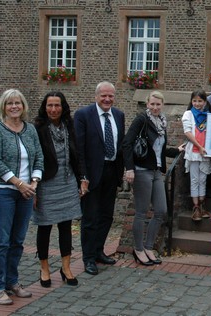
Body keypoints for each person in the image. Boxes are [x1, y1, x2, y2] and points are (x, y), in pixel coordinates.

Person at [0, 89, 44, 305]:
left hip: (27, 191)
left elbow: (38, 157)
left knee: (18, 240)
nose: (14, 106)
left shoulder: (30, 130)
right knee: (1, 240)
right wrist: (19, 184)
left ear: (23, 106)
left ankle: (12, 281)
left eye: (17, 103)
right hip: (2, 191)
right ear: (3, 106)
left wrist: (33, 183)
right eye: (9, 103)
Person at [34, 92, 87, 288]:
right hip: (46, 183)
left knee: (66, 226)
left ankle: (65, 267)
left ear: (63, 107)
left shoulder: (69, 126)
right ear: (44, 107)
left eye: (57, 105)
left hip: (67, 182)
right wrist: (35, 188)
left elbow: (77, 155)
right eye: (50, 105)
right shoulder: (38, 128)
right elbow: (34, 159)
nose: (53, 109)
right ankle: (44, 268)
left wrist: (82, 178)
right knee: (45, 227)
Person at [74, 82, 125, 276]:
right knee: (90, 217)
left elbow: (121, 145)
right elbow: (79, 149)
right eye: (104, 96)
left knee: (106, 215)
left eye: (110, 96)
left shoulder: (119, 115)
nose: (107, 99)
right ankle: (88, 258)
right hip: (92, 173)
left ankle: (98, 251)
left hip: (111, 171)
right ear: (96, 96)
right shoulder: (83, 115)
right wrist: (83, 176)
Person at [122, 91, 173, 266]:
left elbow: (160, 149)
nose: (155, 107)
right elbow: (127, 143)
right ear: (147, 104)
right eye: (152, 104)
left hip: (156, 171)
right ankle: (138, 248)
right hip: (142, 170)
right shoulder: (141, 120)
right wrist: (129, 168)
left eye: (158, 104)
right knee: (141, 212)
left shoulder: (162, 123)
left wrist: (177, 151)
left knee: (161, 211)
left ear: (163, 105)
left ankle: (149, 247)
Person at [182, 90, 211, 221]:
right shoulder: (188, 114)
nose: (197, 103)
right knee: (194, 179)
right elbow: (188, 132)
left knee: (203, 179)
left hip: (205, 152)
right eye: (195, 101)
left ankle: (202, 204)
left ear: (205, 102)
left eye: (200, 101)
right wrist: (199, 146)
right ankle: (195, 207)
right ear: (191, 101)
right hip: (194, 151)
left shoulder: (209, 116)